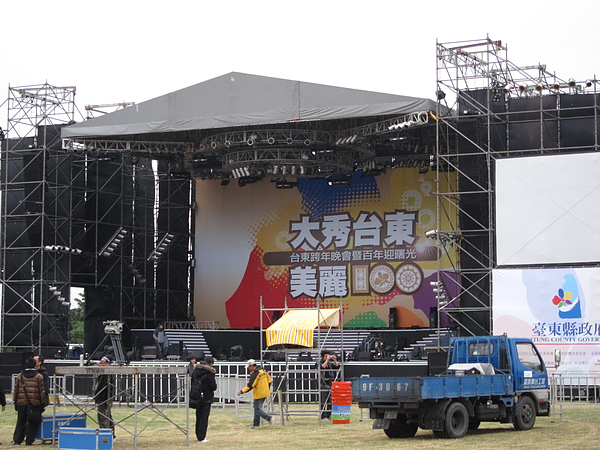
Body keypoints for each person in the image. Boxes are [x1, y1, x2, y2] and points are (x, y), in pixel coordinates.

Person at [13, 356, 48, 446]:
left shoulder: (20, 376)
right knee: (33, 422)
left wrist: (15, 401)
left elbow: (16, 390)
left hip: (21, 402)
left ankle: (17, 440)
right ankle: (29, 440)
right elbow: (41, 392)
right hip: (34, 403)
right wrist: (43, 403)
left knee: (21, 421)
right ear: (34, 365)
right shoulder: (39, 376)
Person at [237, 359, 274, 428]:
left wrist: (241, 391)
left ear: (251, 366)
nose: (248, 369)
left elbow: (250, 385)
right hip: (265, 392)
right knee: (257, 409)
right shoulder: (264, 371)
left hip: (259, 393)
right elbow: (269, 381)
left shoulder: (255, 374)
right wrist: (267, 390)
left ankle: (269, 418)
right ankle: (256, 425)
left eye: (249, 367)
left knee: (257, 409)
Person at [190, 356, 217, 443]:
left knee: (198, 417)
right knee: (204, 418)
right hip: (206, 397)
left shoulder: (195, 371)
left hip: (197, 396)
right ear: (211, 364)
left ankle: (198, 434)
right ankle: (202, 437)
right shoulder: (209, 373)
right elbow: (213, 386)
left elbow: (192, 383)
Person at [94, 356, 115, 438]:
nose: (100, 363)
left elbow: (109, 388)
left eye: (102, 362)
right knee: (106, 416)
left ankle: (106, 435)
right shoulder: (102, 374)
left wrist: (109, 399)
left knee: (103, 417)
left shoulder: (107, 375)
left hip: (104, 398)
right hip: (101, 397)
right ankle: (110, 434)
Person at [318, 350, 340, 420]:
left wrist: (335, 360)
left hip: (330, 383)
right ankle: (322, 414)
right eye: (326, 356)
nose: (327, 357)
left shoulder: (330, 364)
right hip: (323, 383)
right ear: (322, 357)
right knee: (323, 400)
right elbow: (322, 367)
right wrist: (327, 360)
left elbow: (337, 366)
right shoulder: (319, 362)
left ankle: (329, 414)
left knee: (330, 401)